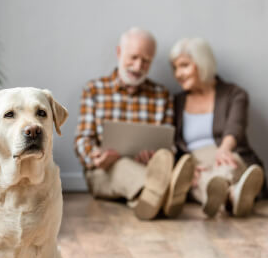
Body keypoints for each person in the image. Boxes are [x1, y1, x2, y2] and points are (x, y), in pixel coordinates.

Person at [75, 27, 195, 220]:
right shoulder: (94, 90)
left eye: (146, 61)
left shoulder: (161, 94)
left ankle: (147, 199)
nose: (138, 66)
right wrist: (96, 156)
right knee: (122, 165)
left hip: (148, 168)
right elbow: (83, 139)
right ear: (119, 52)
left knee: (156, 167)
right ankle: (166, 193)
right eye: (134, 57)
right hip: (104, 172)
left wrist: (156, 156)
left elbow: (168, 143)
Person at [170, 37, 268, 218]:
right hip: (196, 162)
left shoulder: (234, 94)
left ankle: (224, 196)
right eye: (175, 68)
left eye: (184, 65)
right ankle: (233, 197)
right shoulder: (176, 102)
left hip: (226, 154)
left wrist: (224, 149)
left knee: (226, 165)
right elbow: (172, 140)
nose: (178, 73)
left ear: (202, 63)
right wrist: (185, 167)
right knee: (197, 179)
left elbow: (236, 126)